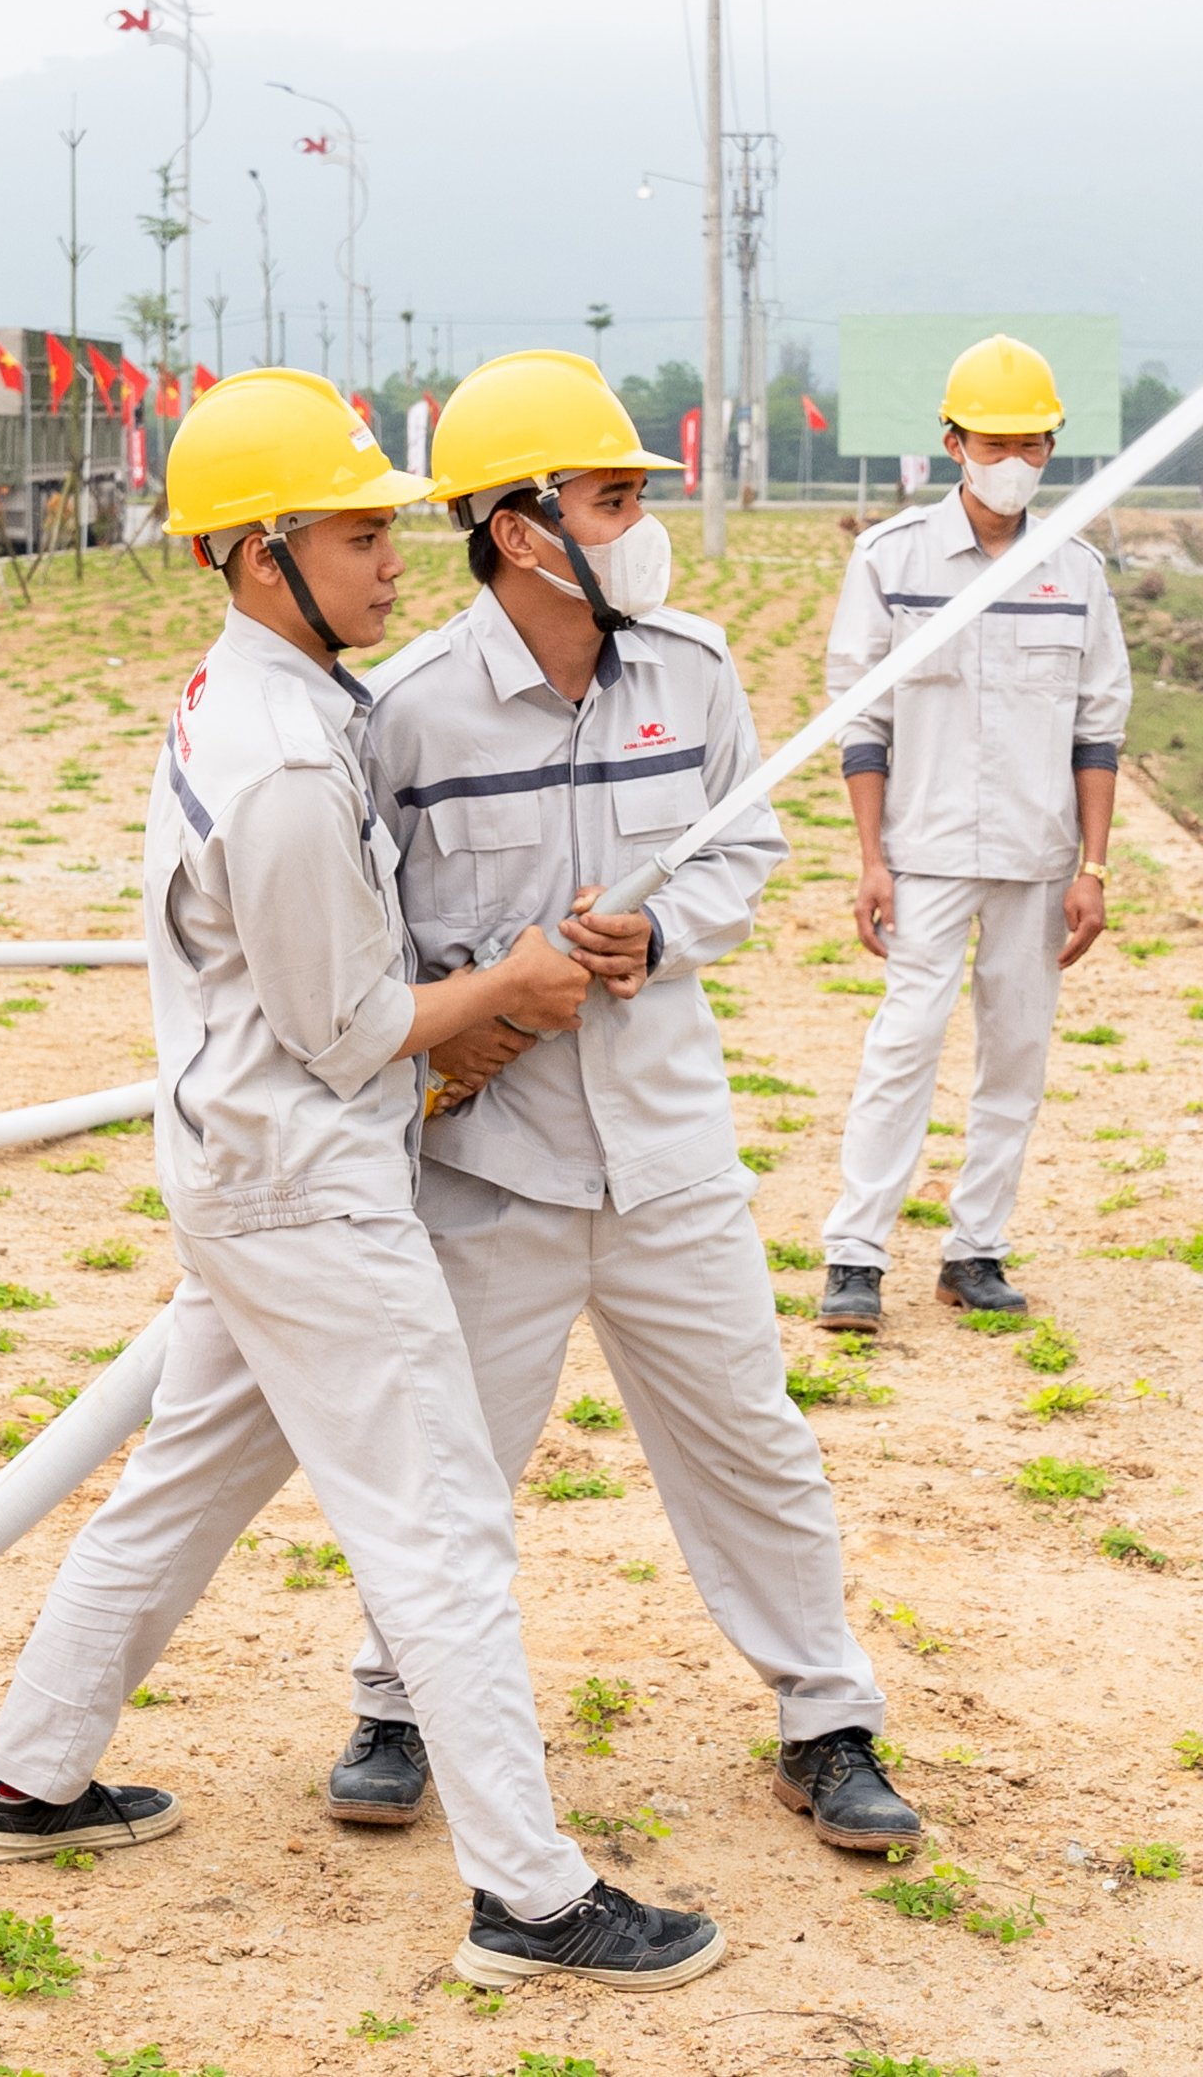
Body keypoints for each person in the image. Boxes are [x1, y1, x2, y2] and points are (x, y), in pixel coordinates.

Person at [0, 369, 722, 1994]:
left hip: (250, 1170)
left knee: (183, 1483)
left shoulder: (270, 705)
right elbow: (354, 1027)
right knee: (437, 1519)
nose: (390, 559)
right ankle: (532, 1890)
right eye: (357, 532)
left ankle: (28, 1778)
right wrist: (507, 985)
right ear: (253, 553)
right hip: (307, 1189)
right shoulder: (291, 766)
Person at [341, 349, 917, 1852]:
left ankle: (826, 1720)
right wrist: (448, 1033)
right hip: (494, 1162)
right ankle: (394, 1702)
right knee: (452, 1453)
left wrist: (664, 932)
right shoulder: (405, 716)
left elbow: (743, 849)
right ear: (523, 531)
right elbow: (362, 937)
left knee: (753, 1439)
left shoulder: (695, 667)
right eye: (613, 497)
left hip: (668, 1152)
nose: (641, 522)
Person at [813, 334, 1131, 1332]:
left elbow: (1098, 727)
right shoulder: (892, 561)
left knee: (1016, 1057)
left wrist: (1094, 868)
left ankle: (974, 1250)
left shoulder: (1076, 570)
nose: (1015, 459)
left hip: (1039, 864)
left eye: (1033, 443)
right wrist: (869, 859)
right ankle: (855, 1257)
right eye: (995, 440)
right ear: (952, 442)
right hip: (926, 854)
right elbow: (860, 720)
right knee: (903, 1047)